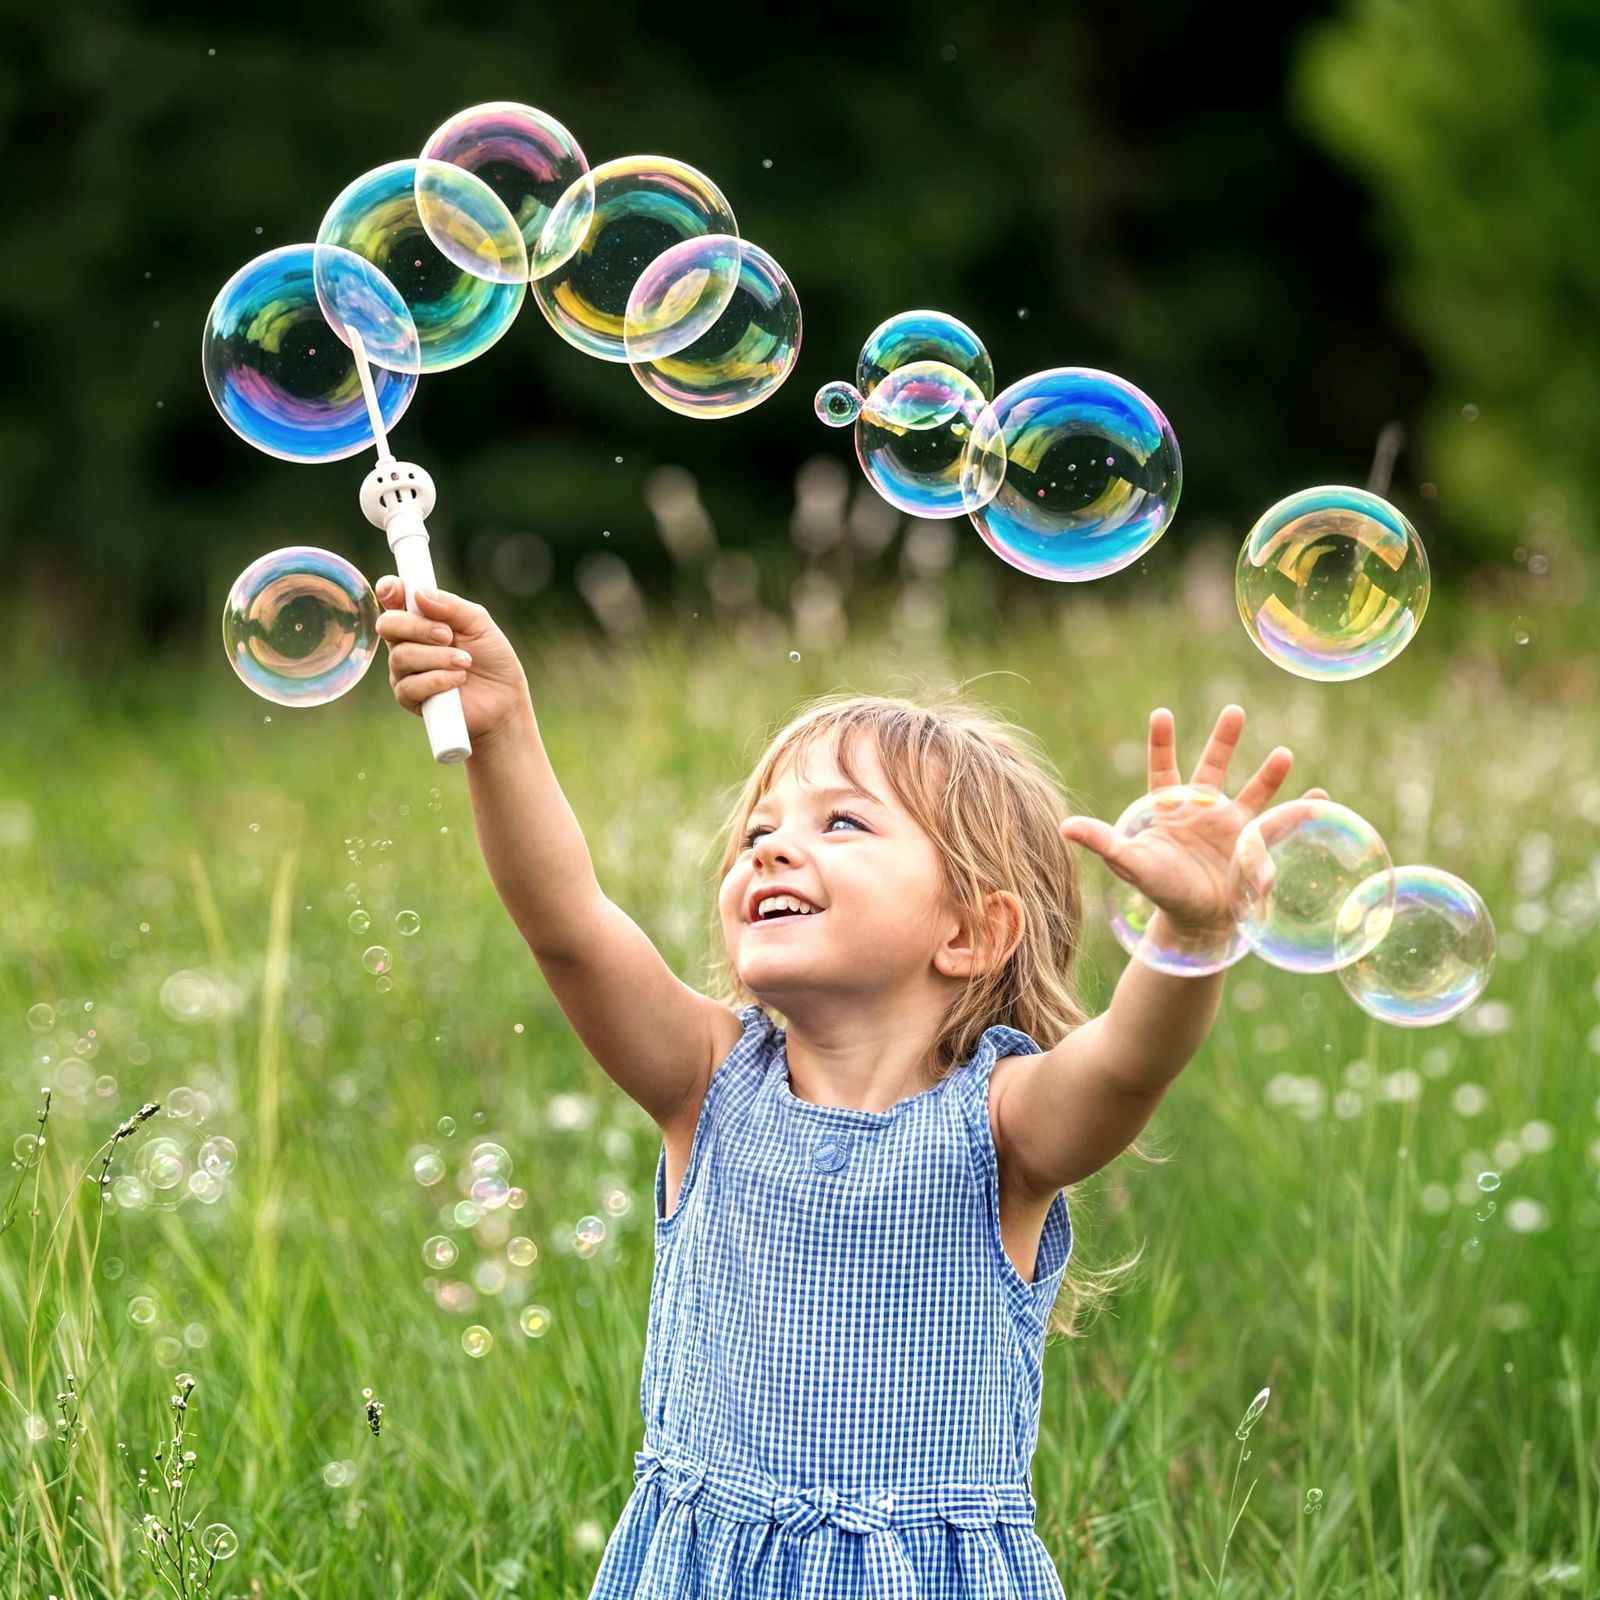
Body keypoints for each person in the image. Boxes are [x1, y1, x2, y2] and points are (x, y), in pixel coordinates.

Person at [375, 576, 1322, 1598]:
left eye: (843, 824)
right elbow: (566, 921)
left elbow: (1131, 1061)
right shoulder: (705, 1084)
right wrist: (505, 728)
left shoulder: (1004, 1126)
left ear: (969, 932)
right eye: (757, 834)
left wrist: (1192, 933)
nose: (773, 845)